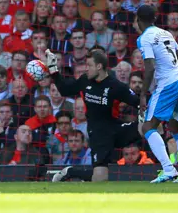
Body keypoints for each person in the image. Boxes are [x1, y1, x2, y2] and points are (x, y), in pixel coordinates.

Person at [48, 49, 141, 182]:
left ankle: (168, 169)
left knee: (148, 126)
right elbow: (64, 89)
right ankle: (70, 171)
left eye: (90, 65)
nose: (87, 69)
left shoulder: (115, 86)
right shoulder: (85, 80)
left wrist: (145, 114)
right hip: (99, 134)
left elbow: (138, 103)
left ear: (99, 66)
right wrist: (53, 69)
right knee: (100, 179)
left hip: (117, 128)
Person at [136, 4, 178, 183]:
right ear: (154, 19)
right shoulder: (166, 33)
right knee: (175, 127)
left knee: (147, 126)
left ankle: (168, 169)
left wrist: (143, 94)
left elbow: (150, 67)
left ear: (138, 20)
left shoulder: (144, 38)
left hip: (169, 83)